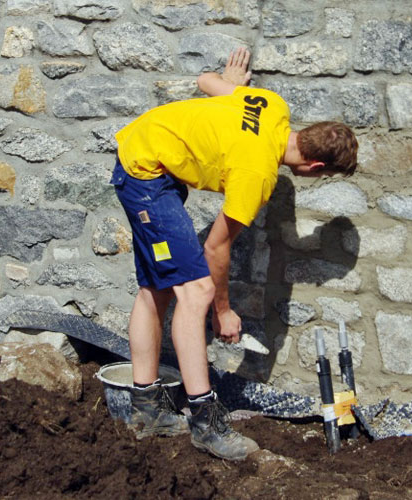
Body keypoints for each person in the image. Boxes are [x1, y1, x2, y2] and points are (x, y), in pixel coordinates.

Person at [112, 47, 358, 461]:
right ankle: (205, 423)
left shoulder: (270, 105)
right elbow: (216, 246)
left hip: (151, 153)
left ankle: (145, 411)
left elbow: (206, 82)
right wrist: (222, 310)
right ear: (315, 168)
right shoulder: (255, 177)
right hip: (145, 175)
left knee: (155, 289)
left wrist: (232, 86)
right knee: (198, 292)